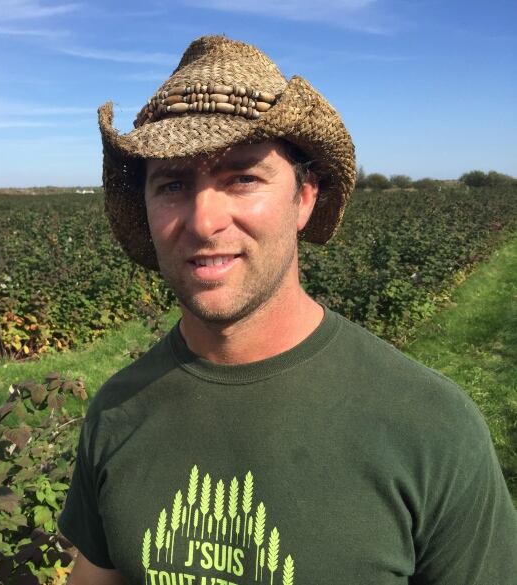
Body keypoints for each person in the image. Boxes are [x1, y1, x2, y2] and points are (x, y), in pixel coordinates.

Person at [57, 35, 517, 585]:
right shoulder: (117, 410)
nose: (204, 222)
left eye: (243, 178)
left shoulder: (431, 428)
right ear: (147, 207)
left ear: (305, 197)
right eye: (174, 183)